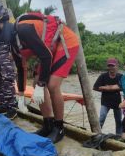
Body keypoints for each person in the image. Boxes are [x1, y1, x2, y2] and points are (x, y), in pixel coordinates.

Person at [11, 12, 79, 143]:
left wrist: (42, 85)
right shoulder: (13, 46)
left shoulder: (23, 31)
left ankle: (59, 127)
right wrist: (20, 94)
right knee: (37, 82)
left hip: (65, 40)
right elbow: (21, 69)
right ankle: (48, 125)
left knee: (52, 85)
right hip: (49, 49)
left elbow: (46, 57)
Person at [93, 58, 123, 135]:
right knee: (101, 118)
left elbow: (124, 87)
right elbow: (95, 87)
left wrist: (107, 87)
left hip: (117, 101)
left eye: (113, 66)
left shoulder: (120, 76)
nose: (111, 68)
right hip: (105, 101)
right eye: (109, 66)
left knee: (118, 120)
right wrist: (108, 88)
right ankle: (97, 134)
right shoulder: (103, 76)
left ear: (117, 66)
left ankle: (118, 136)